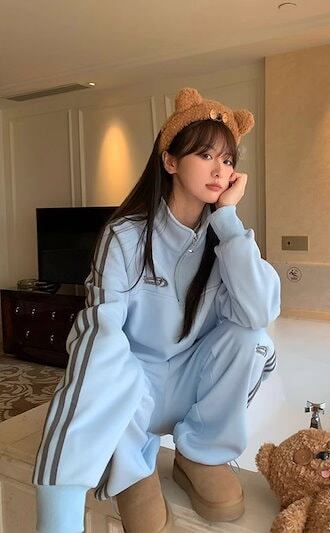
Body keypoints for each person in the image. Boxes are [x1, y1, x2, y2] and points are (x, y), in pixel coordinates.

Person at [32, 87, 281, 533]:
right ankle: (129, 468)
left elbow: (260, 313)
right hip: (132, 395)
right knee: (101, 341)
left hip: (191, 386)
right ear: (170, 161)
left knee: (253, 338)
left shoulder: (227, 239)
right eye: (205, 155)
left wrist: (227, 220)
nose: (220, 170)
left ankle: (200, 454)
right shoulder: (125, 236)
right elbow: (101, 333)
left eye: (227, 160)